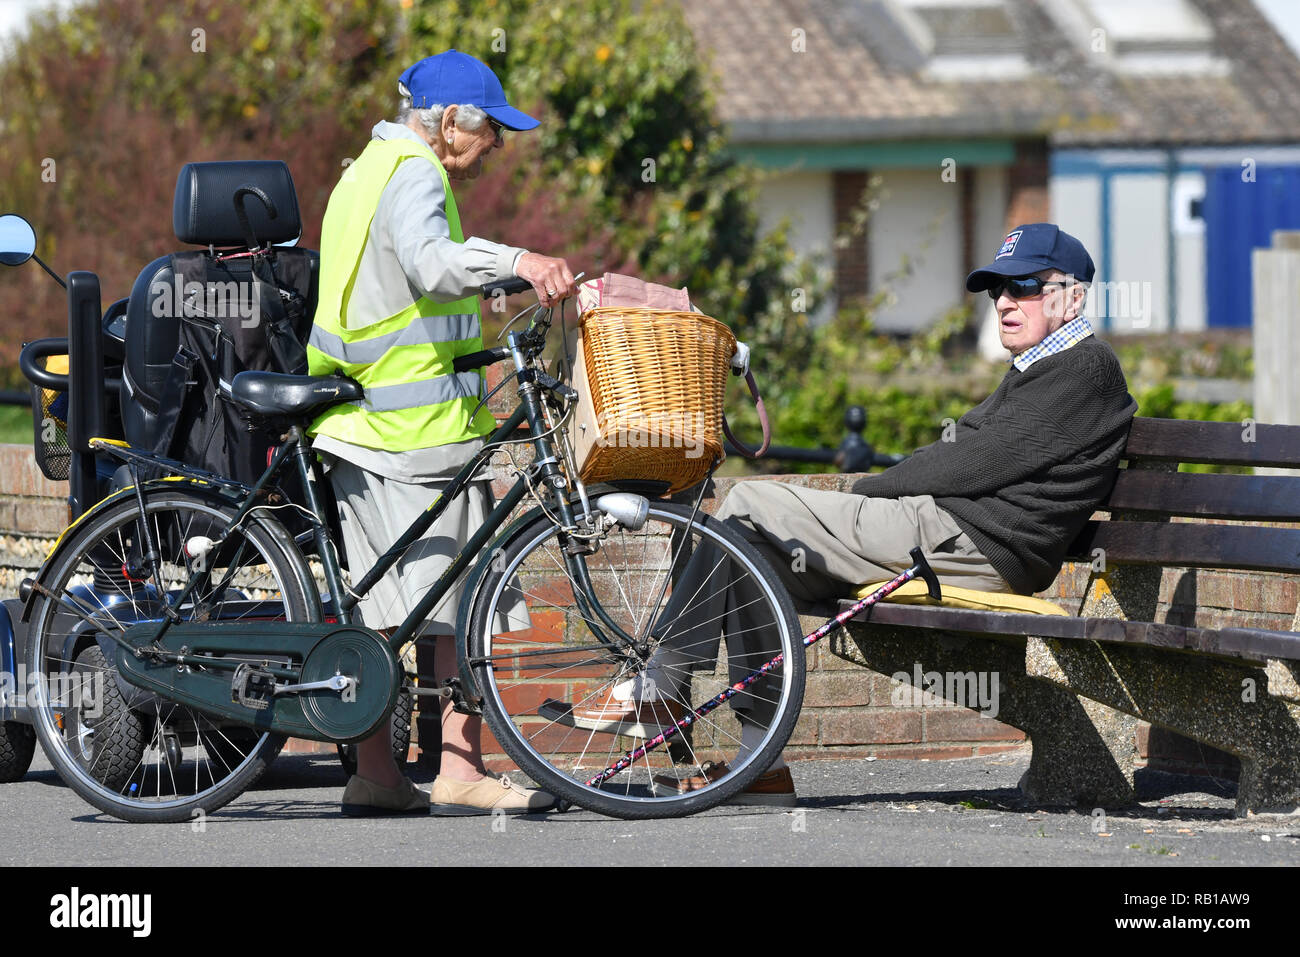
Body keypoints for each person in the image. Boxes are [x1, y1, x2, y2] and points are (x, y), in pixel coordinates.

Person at [552, 223, 1138, 806]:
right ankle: (761, 763)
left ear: (1073, 295)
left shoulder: (1085, 369)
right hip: (952, 534)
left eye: (1026, 287)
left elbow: (972, 463)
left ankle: (663, 681)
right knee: (747, 551)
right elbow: (971, 454)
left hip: (973, 545)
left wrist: (869, 489)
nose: (1006, 302)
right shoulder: (1043, 366)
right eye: (997, 290)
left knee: (748, 503)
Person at [306, 49, 577, 816]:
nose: (496, 145)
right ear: (450, 120)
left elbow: (395, 296)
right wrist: (520, 259)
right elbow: (429, 265)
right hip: (414, 431)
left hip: (369, 420)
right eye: (491, 128)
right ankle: (458, 767)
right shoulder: (418, 172)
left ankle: (377, 775)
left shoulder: (366, 170)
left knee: (383, 611)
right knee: (466, 605)